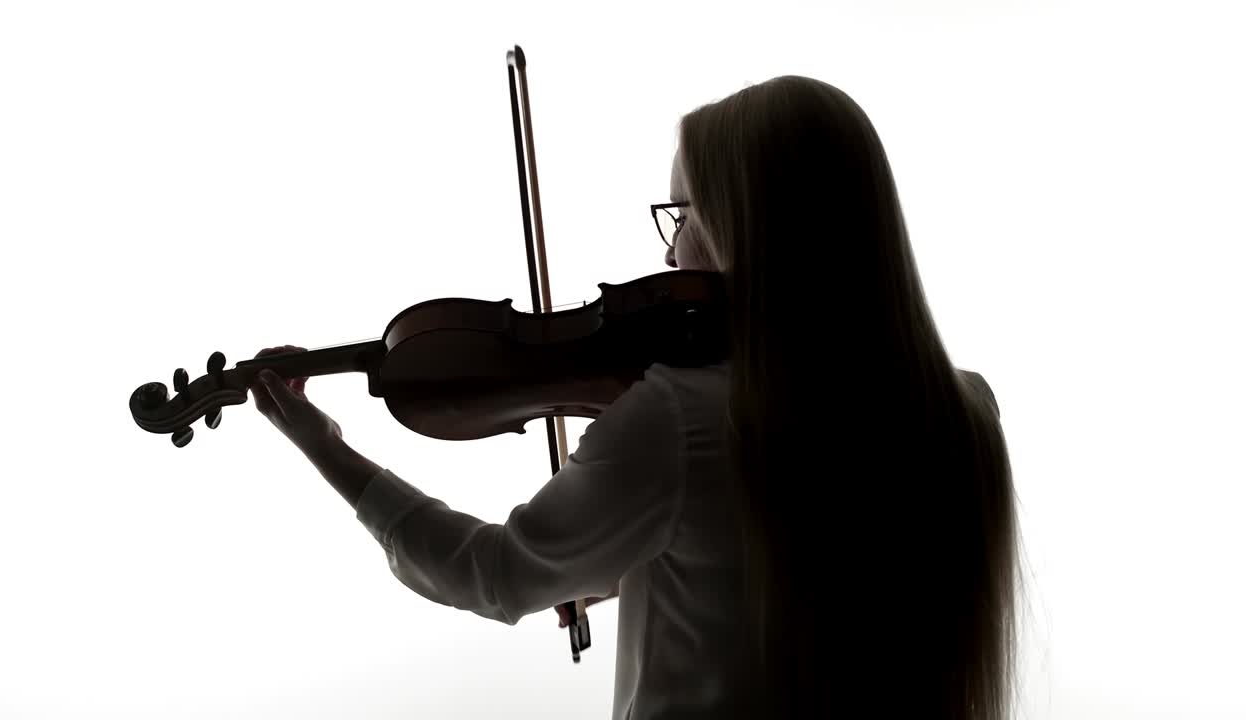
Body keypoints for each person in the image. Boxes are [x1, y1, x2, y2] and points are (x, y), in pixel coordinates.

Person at [249, 75, 1020, 719]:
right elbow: (812, 585)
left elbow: (492, 574)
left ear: (745, 230)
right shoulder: (965, 414)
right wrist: (627, 563)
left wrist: (326, 446)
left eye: (683, 215)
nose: (671, 251)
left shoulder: (681, 421)